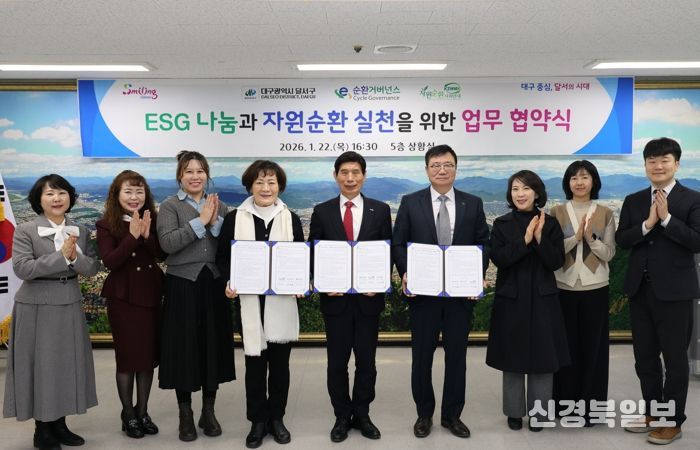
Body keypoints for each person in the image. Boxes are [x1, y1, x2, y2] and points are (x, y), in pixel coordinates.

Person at [392, 144, 490, 439]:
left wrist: (475, 277)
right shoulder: (411, 202)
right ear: (427, 170)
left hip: (460, 296)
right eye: (435, 165)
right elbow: (399, 242)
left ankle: (452, 415)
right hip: (423, 295)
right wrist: (406, 272)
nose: (442, 170)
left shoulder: (473, 203)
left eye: (447, 165)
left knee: (457, 357)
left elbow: (483, 243)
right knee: (422, 357)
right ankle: (424, 414)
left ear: (456, 168)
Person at [3, 174, 100, 450]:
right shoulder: (26, 230)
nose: (56, 198)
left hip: (69, 302)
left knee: (66, 364)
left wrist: (75, 257)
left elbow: (92, 268)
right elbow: (23, 269)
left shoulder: (79, 229)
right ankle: (42, 429)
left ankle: (60, 424)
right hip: (36, 304)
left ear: (70, 197)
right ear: (38, 200)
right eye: (49, 194)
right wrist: (61, 257)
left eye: (61, 193)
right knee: (42, 366)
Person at [616, 137, 700, 445]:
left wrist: (666, 220)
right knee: (645, 358)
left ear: (676, 163)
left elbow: (697, 241)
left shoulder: (693, 199)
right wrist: (647, 224)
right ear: (645, 165)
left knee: (675, 360)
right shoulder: (634, 200)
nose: (658, 166)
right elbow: (623, 239)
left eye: (664, 160)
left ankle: (672, 422)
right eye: (652, 160)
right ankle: (653, 413)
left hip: (676, 293)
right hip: (640, 291)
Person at [216, 160, 304, 449]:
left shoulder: (290, 219)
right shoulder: (235, 219)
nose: (266, 188)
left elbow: (300, 258)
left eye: (272, 182)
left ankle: (277, 418)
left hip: (282, 303)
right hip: (249, 304)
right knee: (254, 366)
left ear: (280, 186)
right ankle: (257, 420)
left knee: (280, 366)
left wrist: (300, 283)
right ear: (250, 186)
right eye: (259, 182)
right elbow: (223, 259)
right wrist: (228, 282)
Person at [308, 151, 392, 443]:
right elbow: (313, 251)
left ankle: (363, 413)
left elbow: (386, 251)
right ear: (336, 176)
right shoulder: (322, 211)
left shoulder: (380, 210)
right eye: (344, 172)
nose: (350, 178)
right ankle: (342, 416)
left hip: (369, 299)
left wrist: (379, 282)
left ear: (364, 176)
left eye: (356, 172)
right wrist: (322, 282)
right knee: (337, 363)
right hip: (336, 300)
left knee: (367, 362)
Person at [156, 150, 234, 442]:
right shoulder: (169, 206)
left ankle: (208, 411)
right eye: (189, 171)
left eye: (200, 171)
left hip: (213, 283)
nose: (195, 176)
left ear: (207, 175)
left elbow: (228, 243)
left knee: (212, 346)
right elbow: (167, 244)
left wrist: (214, 221)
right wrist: (200, 220)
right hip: (182, 284)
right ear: (180, 175)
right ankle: (185, 413)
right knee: (184, 348)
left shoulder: (220, 204)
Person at [486, 170, 569, 432]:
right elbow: (500, 259)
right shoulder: (501, 224)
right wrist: (524, 240)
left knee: (543, 358)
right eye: (515, 189)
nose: (520, 194)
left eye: (526, 188)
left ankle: (539, 414)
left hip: (543, 299)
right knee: (512, 357)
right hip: (511, 298)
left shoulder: (551, 224)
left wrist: (541, 238)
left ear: (537, 193)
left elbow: (556, 261)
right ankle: (513, 412)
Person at [96, 170, 165, 438]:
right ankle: (128, 413)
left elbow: (160, 255)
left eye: (139, 191)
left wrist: (147, 235)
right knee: (127, 359)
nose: (134, 197)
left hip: (150, 293)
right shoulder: (106, 224)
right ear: (116, 195)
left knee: (146, 357)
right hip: (123, 298)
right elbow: (110, 261)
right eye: (128, 191)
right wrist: (132, 236)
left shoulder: (152, 219)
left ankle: (143, 411)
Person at [549, 161, 615, 426]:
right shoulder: (556, 212)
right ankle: (564, 406)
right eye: (574, 178)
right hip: (563, 286)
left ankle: (591, 409)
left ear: (593, 181)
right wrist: (575, 238)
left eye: (585, 177)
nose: (579, 182)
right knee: (565, 348)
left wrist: (591, 239)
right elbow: (553, 251)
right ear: (567, 182)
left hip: (595, 287)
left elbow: (609, 253)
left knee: (593, 349)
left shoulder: (605, 213)